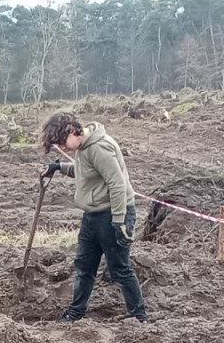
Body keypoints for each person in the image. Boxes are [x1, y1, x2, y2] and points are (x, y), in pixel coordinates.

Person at [40, 112, 146, 323]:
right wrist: (59, 167)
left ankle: (139, 316)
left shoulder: (100, 147)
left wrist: (119, 221)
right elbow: (86, 171)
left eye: (62, 143)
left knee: (119, 269)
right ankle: (76, 312)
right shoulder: (83, 147)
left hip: (112, 214)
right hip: (93, 215)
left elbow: (116, 184)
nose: (62, 148)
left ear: (72, 131)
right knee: (84, 266)